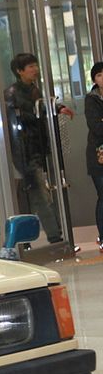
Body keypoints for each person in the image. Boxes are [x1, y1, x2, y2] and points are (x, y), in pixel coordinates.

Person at [4, 52, 74, 243]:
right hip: (25, 152)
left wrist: (57, 108)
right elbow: (31, 112)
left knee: (35, 194)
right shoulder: (12, 93)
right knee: (39, 195)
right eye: (30, 67)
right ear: (19, 71)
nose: (35, 70)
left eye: (36, 65)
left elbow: (40, 108)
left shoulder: (34, 89)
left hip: (38, 149)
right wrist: (51, 108)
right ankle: (55, 237)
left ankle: (26, 238)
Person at [85, 61, 103, 252]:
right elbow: (97, 127)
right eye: (99, 75)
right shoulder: (91, 100)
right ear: (94, 80)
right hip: (99, 156)